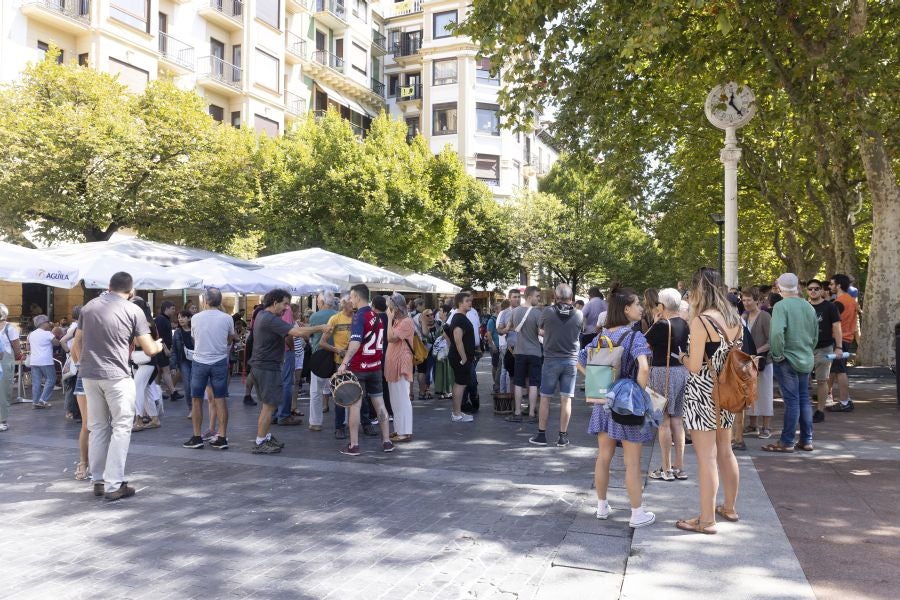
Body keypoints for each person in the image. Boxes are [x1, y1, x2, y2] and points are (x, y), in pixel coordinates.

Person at [72, 273, 163, 501]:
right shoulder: (133, 310)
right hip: (117, 376)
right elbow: (150, 349)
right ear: (131, 291)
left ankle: (99, 480)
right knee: (122, 427)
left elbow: (77, 342)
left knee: (98, 427)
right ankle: (114, 484)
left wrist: (80, 364)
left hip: (89, 375)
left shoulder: (89, 307)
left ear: (108, 286)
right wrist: (159, 346)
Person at [578, 284, 655, 528]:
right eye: (637, 305)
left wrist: (598, 383)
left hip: (604, 405)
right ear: (626, 309)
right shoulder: (635, 336)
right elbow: (643, 367)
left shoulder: (602, 336)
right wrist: (638, 394)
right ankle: (636, 513)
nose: (641, 308)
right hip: (627, 408)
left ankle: (601, 506)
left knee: (603, 457)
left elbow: (581, 360)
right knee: (632, 463)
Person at [676, 267, 742, 534]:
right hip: (727, 391)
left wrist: (681, 357)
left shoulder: (701, 321)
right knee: (726, 451)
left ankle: (706, 520)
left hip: (703, 392)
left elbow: (694, 366)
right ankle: (729, 507)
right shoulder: (734, 317)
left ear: (699, 289)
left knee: (707, 458)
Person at [250, 289, 328, 454]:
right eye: (285, 304)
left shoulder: (264, 316)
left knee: (268, 406)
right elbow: (297, 333)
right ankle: (260, 441)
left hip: (263, 366)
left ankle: (265, 437)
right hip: (266, 367)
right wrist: (320, 327)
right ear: (274, 302)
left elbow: (294, 330)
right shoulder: (269, 318)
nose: (286, 308)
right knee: (269, 406)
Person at [763, 273, 818, 453]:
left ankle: (787, 441)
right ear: (798, 287)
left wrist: (777, 355)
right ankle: (806, 439)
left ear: (779, 288)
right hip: (805, 357)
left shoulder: (780, 306)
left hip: (787, 358)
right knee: (804, 399)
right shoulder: (809, 306)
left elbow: (777, 333)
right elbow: (815, 334)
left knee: (792, 401)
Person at [336, 284, 394, 455]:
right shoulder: (377, 316)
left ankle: (353, 445)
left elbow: (355, 343)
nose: (350, 300)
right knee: (380, 404)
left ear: (357, 297)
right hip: (375, 366)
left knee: (354, 406)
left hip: (359, 367)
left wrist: (344, 363)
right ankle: (387, 441)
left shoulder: (359, 317)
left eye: (351, 297)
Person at [182, 288, 236, 450]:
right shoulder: (227, 319)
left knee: (196, 399)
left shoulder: (196, 318)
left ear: (205, 300)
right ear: (220, 301)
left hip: (199, 361)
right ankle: (222, 436)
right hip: (219, 361)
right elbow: (230, 337)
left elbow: (194, 337)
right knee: (220, 399)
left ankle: (197, 436)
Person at [645, 288, 690, 481]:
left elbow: (642, 343)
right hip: (681, 372)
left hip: (661, 373)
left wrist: (655, 323)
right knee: (677, 421)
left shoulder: (662, 325)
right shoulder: (684, 324)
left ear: (662, 306)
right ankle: (679, 467)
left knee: (663, 422)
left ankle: (665, 468)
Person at [530, 284, 582, 447]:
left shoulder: (548, 312)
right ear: (571, 297)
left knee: (545, 398)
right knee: (566, 399)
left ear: (555, 296)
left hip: (551, 360)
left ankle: (541, 435)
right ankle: (562, 437)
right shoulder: (579, 314)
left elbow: (541, 328)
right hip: (570, 361)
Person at [506, 286, 543, 422]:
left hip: (519, 352)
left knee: (518, 383)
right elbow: (541, 332)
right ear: (529, 297)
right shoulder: (538, 313)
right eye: (537, 296)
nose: (539, 299)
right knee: (533, 384)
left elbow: (509, 327)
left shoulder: (515, 312)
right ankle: (532, 414)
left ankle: (517, 412)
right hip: (535, 352)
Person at [741, 287, 774, 439]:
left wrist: (756, 351)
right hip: (748, 363)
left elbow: (771, 340)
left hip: (763, 362)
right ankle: (753, 424)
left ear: (757, 301)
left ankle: (766, 427)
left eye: (749, 300)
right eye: (744, 299)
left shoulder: (765, 316)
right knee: (750, 393)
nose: (746, 302)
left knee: (765, 393)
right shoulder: (744, 316)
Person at [807, 279, 841, 423]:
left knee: (822, 381)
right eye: (810, 289)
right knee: (802, 381)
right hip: (805, 349)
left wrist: (838, 347)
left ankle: (820, 410)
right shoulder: (804, 306)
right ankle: (803, 410)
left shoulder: (830, 307)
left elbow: (837, 327)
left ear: (821, 290)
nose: (813, 291)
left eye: (816, 288)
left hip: (824, 348)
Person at [323, 296, 355, 438]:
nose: (353, 306)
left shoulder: (358, 318)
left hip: (357, 361)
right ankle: (339, 427)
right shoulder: (335, 319)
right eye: (350, 304)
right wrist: (338, 350)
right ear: (343, 305)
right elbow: (322, 342)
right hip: (340, 362)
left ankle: (365, 423)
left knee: (362, 394)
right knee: (341, 394)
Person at [386, 293, 415, 443]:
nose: (389, 309)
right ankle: (399, 429)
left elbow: (390, 338)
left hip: (401, 364)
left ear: (396, 307)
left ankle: (405, 432)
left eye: (391, 307)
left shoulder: (407, 322)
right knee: (396, 399)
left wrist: (389, 319)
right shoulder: (399, 321)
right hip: (394, 364)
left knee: (402, 398)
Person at [826, 273, 858, 412]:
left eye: (832, 284)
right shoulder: (851, 300)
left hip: (838, 340)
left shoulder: (839, 303)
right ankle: (841, 398)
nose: (829, 286)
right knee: (836, 370)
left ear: (838, 285)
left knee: (840, 371)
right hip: (846, 338)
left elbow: (832, 323)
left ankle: (845, 402)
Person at [307, 294, 338, 432]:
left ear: (322, 302)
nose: (318, 304)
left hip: (318, 355)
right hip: (336, 355)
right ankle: (344, 421)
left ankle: (315, 422)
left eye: (319, 302)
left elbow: (310, 335)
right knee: (339, 389)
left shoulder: (315, 317)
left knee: (316, 391)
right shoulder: (339, 315)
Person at [446, 292, 476, 423]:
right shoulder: (459, 318)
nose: (470, 303)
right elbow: (458, 340)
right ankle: (456, 414)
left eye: (470, 300)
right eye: (467, 301)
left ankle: (457, 412)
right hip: (460, 358)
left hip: (462, 357)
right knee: (460, 384)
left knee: (461, 383)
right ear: (460, 303)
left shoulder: (460, 317)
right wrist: (464, 358)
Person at [27, 314, 60, 409]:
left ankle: (35, 402)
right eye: (47, 322)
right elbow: (57, 343)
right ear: (43, 323)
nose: (49, 324)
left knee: (36, 382)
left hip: (34, 360)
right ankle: (43, 400)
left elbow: (28, 346)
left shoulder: (31, 334)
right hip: (46, 360)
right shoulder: (47, 334)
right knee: (51, 379)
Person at [0, 303, 23, 432]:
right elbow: (16, 345)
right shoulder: (9, 328)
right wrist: (19, 355)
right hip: (5, 361)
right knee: (3, 392)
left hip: (4, 359)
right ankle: (2, 420)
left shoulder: (9, 328)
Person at [496, 289, 522, 393]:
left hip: (526, 349)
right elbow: (499, 330)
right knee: (512, 377)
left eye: (519, 297)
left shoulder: (525, 310)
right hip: (511, 349)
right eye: (515, 297)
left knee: (527, 379)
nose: (517, 299)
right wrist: (505, 330)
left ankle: (529, 406)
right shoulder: (505, 313)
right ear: (509, 298)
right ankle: (513, 404)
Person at [154, 301, 179, 402]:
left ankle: (157, 393)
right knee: (166, 371)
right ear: (167, 308)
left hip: (162, 349)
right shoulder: (161, 319)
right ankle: (172, 392)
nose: (174, 311)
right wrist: (166, 349)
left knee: (160, 372)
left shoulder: (164, 319)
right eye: (172, 308)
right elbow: (158, 336)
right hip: (161, 349)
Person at [171, 310, 194, 415]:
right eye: (179, 317)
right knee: (187, 385)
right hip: (183, 362)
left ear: (189, 318)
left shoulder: (195, 330)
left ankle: (196, 406)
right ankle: (191, 408)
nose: (180, 319)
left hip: (196, 361)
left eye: (183, 317)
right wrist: (173, 366)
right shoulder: (177, 333)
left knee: (195, 385)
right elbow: (174, 350)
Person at [414, 307, 440, 400]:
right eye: (427, 315)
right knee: (423, 371)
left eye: (431, 314)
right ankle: (423, 392)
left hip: (419, 349)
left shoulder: (415, 318)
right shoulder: (422, 319)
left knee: (423, 371)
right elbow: (425, 333)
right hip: (423, 349)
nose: (430, 316)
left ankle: (422, 392)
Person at [432, 304, 454, 399]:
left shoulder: (446, 323)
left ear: (445, 312)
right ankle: (444, 390)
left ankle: (447, 391)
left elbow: (445, 336)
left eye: (440, 311)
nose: (438, 313)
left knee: (447, 370)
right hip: (442, 352)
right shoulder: (444, 322)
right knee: (443, 370)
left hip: (445, 351)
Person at [486, 302, 501, 394]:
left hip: (501, 346)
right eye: (500, 308)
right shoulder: (492, 320)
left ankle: (498, 384)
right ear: (496, 309)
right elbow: (489, 334)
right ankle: (496, 384)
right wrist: (493, 345)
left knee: (500, 367)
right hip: (495, 346)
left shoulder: (500, 318)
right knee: (495, 366)